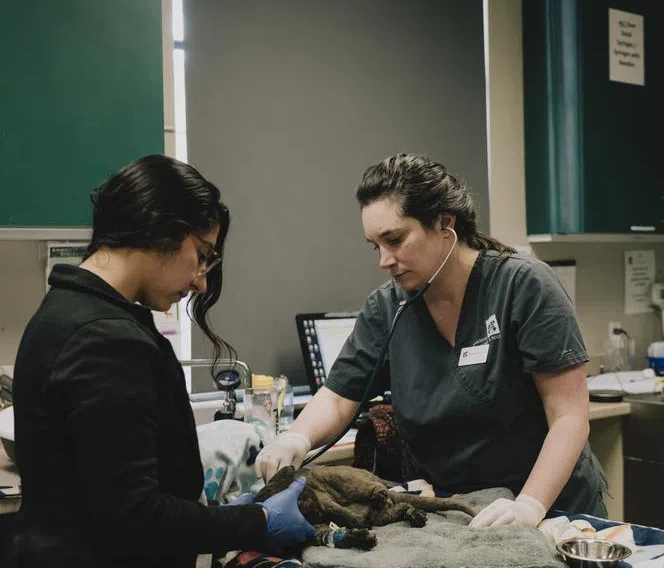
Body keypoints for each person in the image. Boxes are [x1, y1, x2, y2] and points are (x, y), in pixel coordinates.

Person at [0, 155, 313, 568]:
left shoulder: (64, 311)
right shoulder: (105, 339)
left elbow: (104, 477)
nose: (201, 279)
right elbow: (134, 516)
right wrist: (255, 521)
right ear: (162, 230)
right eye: (201, 255)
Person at [255, 153, 607, 526]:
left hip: (551, 506)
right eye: (376, 246)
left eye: (395, 240)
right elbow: (340, 397)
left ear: (444, 224)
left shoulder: (523, 287)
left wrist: (530, 505)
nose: (384, 260)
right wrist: (296, 437)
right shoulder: (387, 308)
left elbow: (568, 416)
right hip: (458, 510)